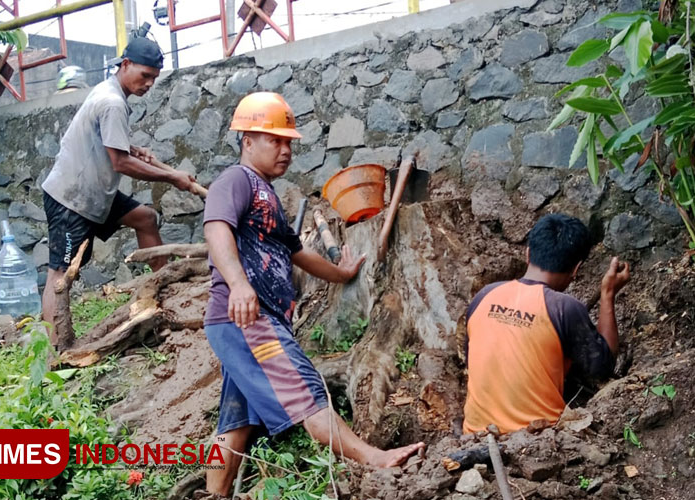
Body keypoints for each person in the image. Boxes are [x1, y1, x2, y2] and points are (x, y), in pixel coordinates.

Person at [203, 92, 425, 496]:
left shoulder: (265, 193)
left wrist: (340, 274)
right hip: (248, 318)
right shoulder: (235, 181)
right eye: (276, 140)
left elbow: (298, 252)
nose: (286, 150)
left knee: (236, 420)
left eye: (289, 142)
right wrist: (238, 284)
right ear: (247, 140)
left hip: (238, 322)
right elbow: (216, 228)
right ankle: (375, 458)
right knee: (306, 390)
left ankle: (213, 495)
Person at [41, 37, 198, 347]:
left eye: (154, 77)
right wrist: (173, 178)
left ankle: (163, 288)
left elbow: (109, 145)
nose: (149, 83)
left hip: (96, 193)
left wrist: (134, 149)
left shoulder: (109, 93)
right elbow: (120, 162)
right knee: (60, 276)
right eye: (145, 75)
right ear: (125, 65)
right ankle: (53, 351)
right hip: (72, 199)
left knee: (146, 219)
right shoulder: (112, 102)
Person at [462, 213, 631, 434]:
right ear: (576, 269)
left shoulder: (485, 295)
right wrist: (608, 293)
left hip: (475, 435)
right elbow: (602, 367)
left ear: (528, 253)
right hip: (537, 437)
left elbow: (471, 360)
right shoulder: (563, 308)